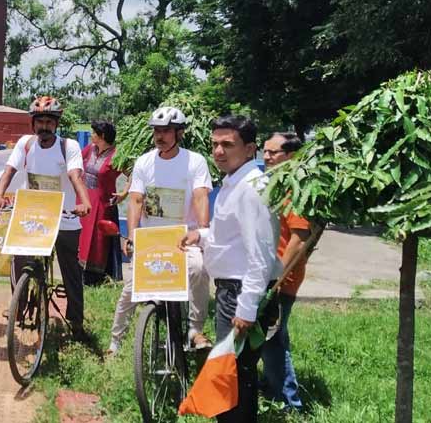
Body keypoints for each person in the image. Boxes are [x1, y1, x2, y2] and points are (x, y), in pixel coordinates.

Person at [179, 115, 282, 423]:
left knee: (234, 374)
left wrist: (247, 308)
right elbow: (232, 237)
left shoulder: (252, 188)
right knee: (232, 371)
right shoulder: (233, 182)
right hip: (231, 290)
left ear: (249, 149)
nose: (219, 151)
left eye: (227, 144)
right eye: (214, 144)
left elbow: (260, 255)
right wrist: (203, 235)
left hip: (240, 292)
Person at [107, 107, 213, 355]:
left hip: (184, 239)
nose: (160, 136)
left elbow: (200, 198)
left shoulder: (195, 161)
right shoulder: (144, 162)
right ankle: (114, 343)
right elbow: (135, 200)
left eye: (166, 131)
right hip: (152, 240)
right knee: (130, 290)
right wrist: (132, 236)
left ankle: (195, 329)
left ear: (179, 133)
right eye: (156, 130)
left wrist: (203, 232)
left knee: (198, 269)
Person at [0, 96, 92, 340]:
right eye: (40, 122)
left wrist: (84, 201)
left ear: (56, 124)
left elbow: (76, 176)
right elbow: (9, 170)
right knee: (18, 257)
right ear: (32, 124)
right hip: (33, 216)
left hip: (65, 217)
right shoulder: (25, 144)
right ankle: (18, 305)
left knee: (70, 272)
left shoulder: (68, 147)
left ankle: (76, 322)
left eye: (49, 122)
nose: (44, 127)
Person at [260, 132, 309, 410]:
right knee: (270, 336)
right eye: (265, 152)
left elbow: (299, 238)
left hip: (281, 277)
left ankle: (290, 403)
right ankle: (272, 385)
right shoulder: (277, 184)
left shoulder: (296, 189)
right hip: (271, 273)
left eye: (273, 152)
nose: (266, 157)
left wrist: (276, 278)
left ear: (290, 155)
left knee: (274, 338)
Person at [78, 120, 126, 284]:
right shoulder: (90, 149)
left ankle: (97, 277)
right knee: (82, 236)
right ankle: (78, 272)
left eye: (94, 133)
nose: (91, 135)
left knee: (98, 240)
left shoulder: (117, 155)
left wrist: (124, 193)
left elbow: (134, 173)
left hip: (102, 204)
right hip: (84, 200)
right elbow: (76, 162)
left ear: (102, 136)